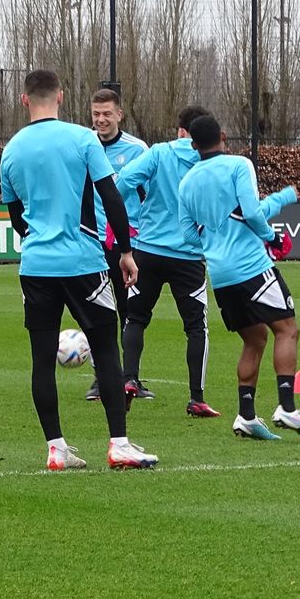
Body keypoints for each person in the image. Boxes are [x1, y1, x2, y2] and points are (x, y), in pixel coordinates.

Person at [0, 70, 157, 470]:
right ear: (61, 97)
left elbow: (17, 218)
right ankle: (119, 444)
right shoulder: (83, 139)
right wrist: (125, 252)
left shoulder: (11, 151)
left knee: (41, 359)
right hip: (83, 262)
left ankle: (56, 449)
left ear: (24, 100)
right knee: (105, 348)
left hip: (36, 265)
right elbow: (111, 197)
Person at [176, 115, 300, 441]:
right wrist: (272, 237)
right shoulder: (239, 165)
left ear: (193, 145)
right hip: (251, 268)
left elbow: (189, 236)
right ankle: (286, 407)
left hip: (221, 276)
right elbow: (251, 212)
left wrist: (215, 245)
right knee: (288, 329)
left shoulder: (186, 183)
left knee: (254, 339)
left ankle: (246, 416)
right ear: (224, 136)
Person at [114, 104, 220, 418]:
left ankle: (129, 379)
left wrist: (138, 207)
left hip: (148, 250)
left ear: (181, 130)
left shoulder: (160, 153)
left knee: (136, 318)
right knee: (196, 328)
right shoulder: (210, 161)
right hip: (188, 255)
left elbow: (123, 181)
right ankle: (196, 398)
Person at [85, 86, 150, 402]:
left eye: (107, 114)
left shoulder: (138, 149)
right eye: (96, 114)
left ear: (119, 114)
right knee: (97, 311)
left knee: (129, 310)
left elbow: (149, 196)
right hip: (91, 241)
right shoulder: (83, 145)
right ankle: (101, 379)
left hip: (126, 243)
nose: (101, 119)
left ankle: (129, 378)